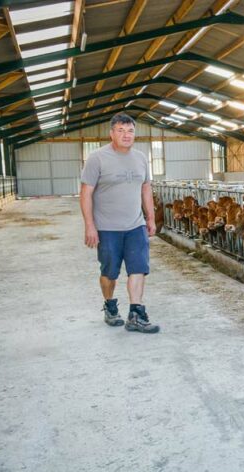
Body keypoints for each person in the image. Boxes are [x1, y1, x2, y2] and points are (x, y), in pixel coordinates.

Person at [80, 113, 160, 333]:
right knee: (109, 272)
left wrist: (150, 217)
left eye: (130, 131)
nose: (126, 135)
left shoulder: (141, 158)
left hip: (135, 225)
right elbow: (86, 193)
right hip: (107, 228)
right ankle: (110, 304)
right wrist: (89, 225)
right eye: (121, 130)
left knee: (139, 268)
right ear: (111, 133)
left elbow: (146, 188)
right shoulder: (97, 158)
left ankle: (136, 312)